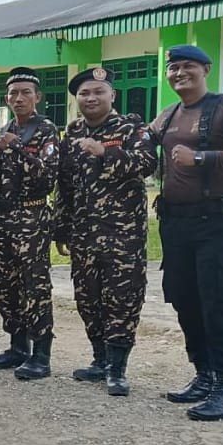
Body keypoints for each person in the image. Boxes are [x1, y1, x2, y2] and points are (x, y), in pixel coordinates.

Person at [151, 45, 223, 420]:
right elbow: (140, 146)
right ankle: (203, 374)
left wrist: (202, 157)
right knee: (184, 299)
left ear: (206, 69)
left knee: (218, 302)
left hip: (218, 222)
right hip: (176, 223)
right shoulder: (168, 115)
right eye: (173, 67)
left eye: (187, 66)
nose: (179, 73)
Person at [55, 68, 157, 397]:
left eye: (98, 92)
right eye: (84, 93)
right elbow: (65, 184)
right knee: (87, 297)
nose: (91, 98)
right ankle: (99, 360)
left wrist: (106, 152)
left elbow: (147, 162)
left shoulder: (130, 127)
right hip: (84, 233)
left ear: (112, 95)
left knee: (123, 299)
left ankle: (118, 367)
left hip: (122, 235)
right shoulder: (71, 132)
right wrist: (62, 226)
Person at [0, 67, 59, 380]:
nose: (18, 98)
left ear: (37, 97)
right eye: (13, 93)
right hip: (4, 218)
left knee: (34, 286)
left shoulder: (46, 130)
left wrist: (17, 148)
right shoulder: (5, 130)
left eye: (25, 92)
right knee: (4, 286)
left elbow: (48, 175)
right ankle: (17, 347)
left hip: (32, 216)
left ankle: (41, 354)